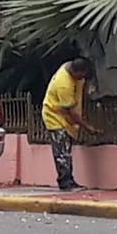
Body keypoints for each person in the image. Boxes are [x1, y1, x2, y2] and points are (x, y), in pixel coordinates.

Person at [42, 57, 101, 191]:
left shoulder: (71, 69)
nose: (82, 79)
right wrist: (87, 127)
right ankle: (65, 183)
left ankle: (70, 181)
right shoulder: (64, 85)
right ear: (75, 72)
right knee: (62, 152)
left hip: (65, 117)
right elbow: (71, 113)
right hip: (54, 116)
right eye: (81, 76)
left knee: (66, 150)